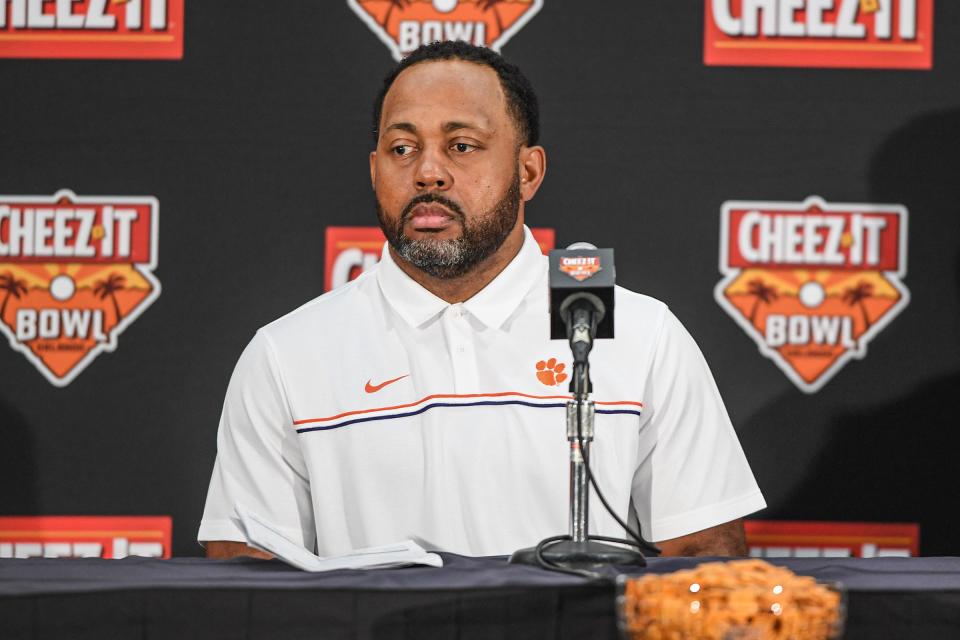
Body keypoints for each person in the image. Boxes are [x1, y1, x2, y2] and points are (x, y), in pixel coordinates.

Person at [199, 41, 765, 560]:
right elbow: (247, 574)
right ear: (375, 172)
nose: (428, 172)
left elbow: (704, 555)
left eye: (461, 145)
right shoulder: (287, 353)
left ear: (527, 171)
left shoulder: (642, 335)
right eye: (402, 147)